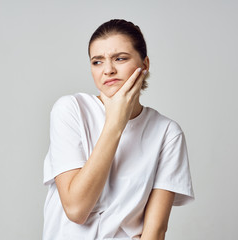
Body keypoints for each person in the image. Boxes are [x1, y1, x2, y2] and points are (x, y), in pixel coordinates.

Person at [43, 19, 194, 240]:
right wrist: (116, 122)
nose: (108, 70)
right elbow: (76, 209)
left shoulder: (167, 133)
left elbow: (156, 231)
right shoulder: (70, 110)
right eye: (97, 62)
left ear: (145, 64)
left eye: (120, 58)